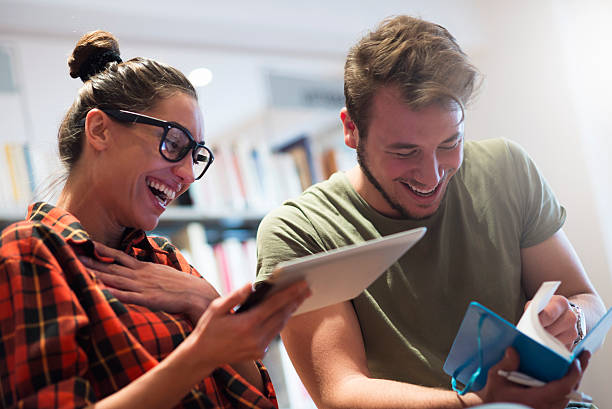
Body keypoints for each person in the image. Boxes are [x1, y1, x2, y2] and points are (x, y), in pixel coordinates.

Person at [255, 15, 606, 408]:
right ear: (351, 129)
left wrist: (571, 318)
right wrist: (479, 403)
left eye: (449, 143)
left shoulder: (507, 167)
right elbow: (341, 393)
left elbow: (586, 298)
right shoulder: (300, 232)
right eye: (404, 152)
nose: (433, 174)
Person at [0, 30, 310, 409]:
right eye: (174, 145)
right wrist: (199, 355)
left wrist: (205, 300)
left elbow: (261, 401)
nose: (187, 175)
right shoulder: (31, 251)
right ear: (100, 130)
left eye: (195, 156)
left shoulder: (166, 259)